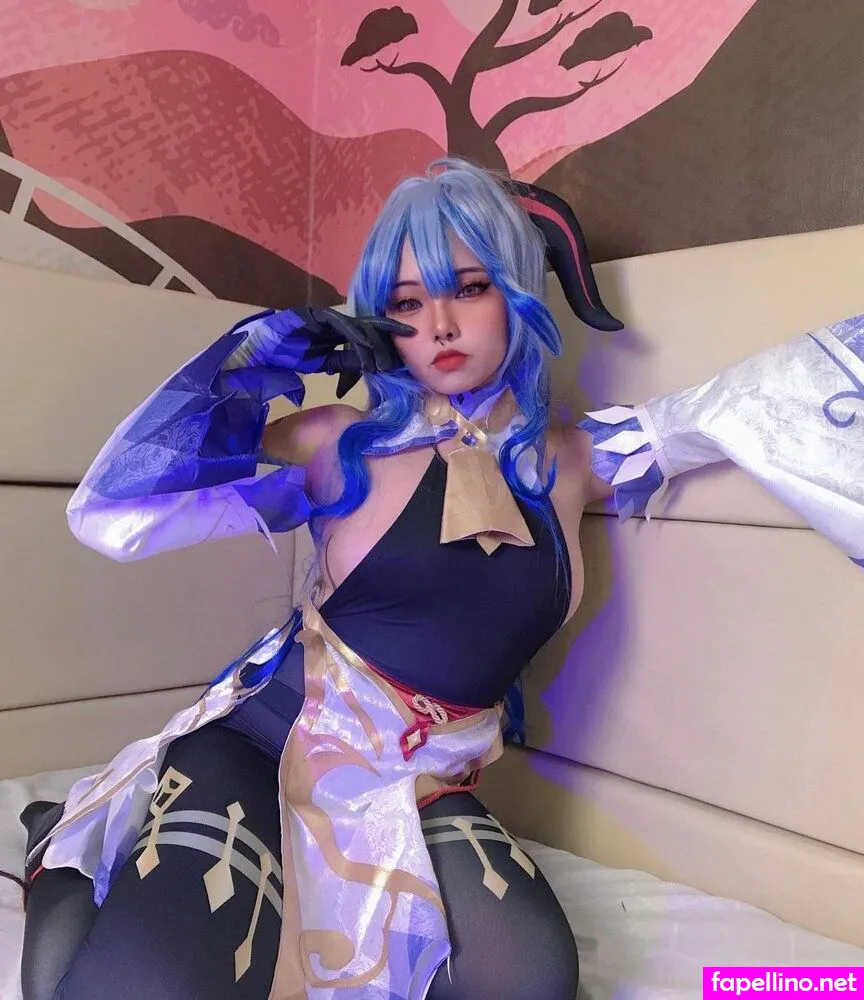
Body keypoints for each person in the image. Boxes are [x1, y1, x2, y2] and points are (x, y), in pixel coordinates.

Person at [14, 158, 864, 1000]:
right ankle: (60, 850)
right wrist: (244, 364)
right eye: (407, 304)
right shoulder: (337, 443)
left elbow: (735, 407)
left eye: (471, 288)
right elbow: (115, 510)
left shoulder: (574, 462)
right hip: (263, 745)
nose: (441, 325)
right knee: (139, 987)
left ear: (518, 291)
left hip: (417, 785)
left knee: (527, 981)